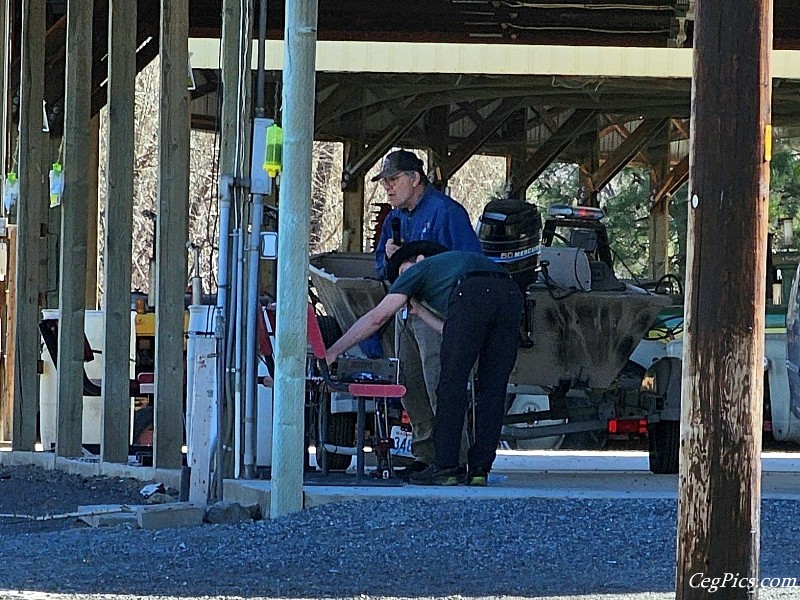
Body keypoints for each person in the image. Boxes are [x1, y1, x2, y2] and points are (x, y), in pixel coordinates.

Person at [326, 243, 524, 485]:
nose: (404, 283)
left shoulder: (419, 270)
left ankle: (447, 467)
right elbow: (452, 331)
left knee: (451, 385)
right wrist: (420, 311)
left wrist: (334, 351)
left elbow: (377, 318)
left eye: (401, 274)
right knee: (492, 390)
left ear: (418, 258)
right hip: (511, 294)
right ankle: (479, 470)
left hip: (470, 294)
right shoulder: (452, 267)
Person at [371, 149, 483, 477]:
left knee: (440, 381)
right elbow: (379, 264)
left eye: (393, 180)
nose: (388, 188)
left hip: (438, 311)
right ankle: (425, 454)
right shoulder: (394, 219)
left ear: (414, 178)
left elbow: (470, 262)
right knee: (409, 381)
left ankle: (454, 458)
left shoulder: (447, 212)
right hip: (405, 310)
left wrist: (427, 268)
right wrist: (391, 258)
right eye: (385, 182)